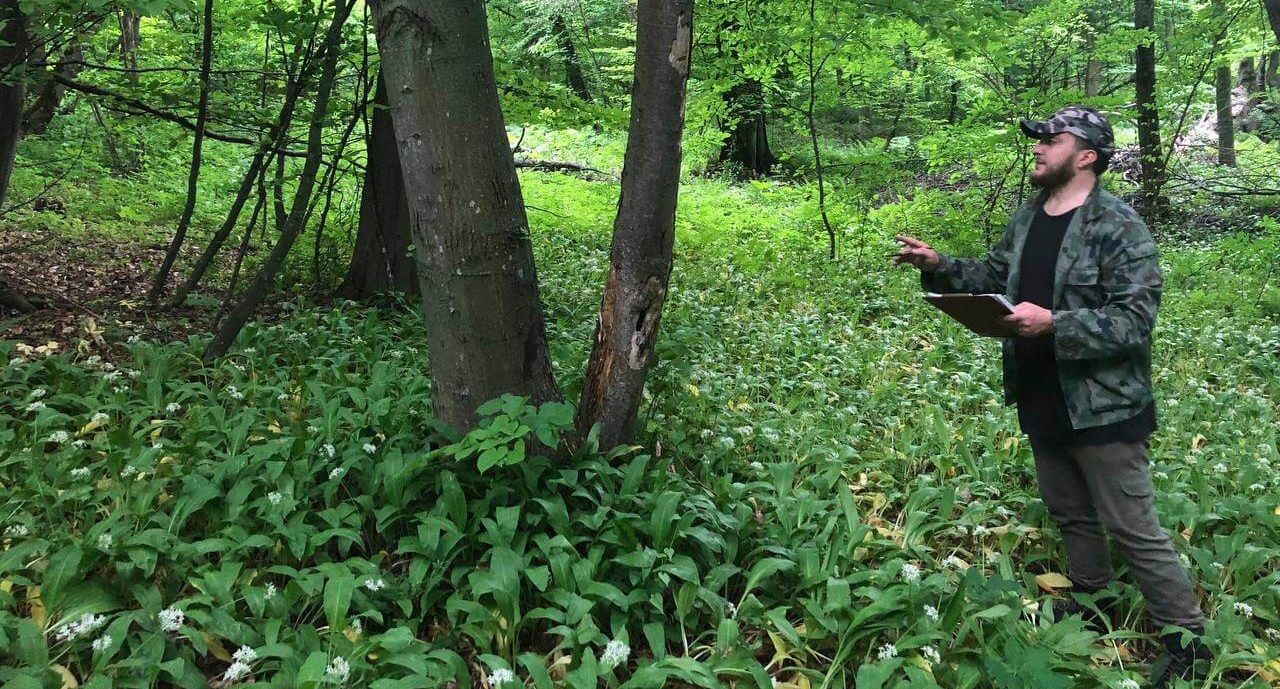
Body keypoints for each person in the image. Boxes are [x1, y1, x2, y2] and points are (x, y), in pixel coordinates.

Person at [891, 106, 1210, 689]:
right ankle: (1090, 598)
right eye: (1037, 139)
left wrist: (1055, 323)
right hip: (1040, 390)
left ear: (1086, 156)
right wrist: (939, 265)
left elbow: (1135, 321)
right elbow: (994, 277)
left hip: (1105, 404)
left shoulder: (1119, 226)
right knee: (1068, 510)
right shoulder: (1028, 217)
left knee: (1134, 528)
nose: (1037, 148)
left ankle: (1188, 642)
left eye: (1051, 140)